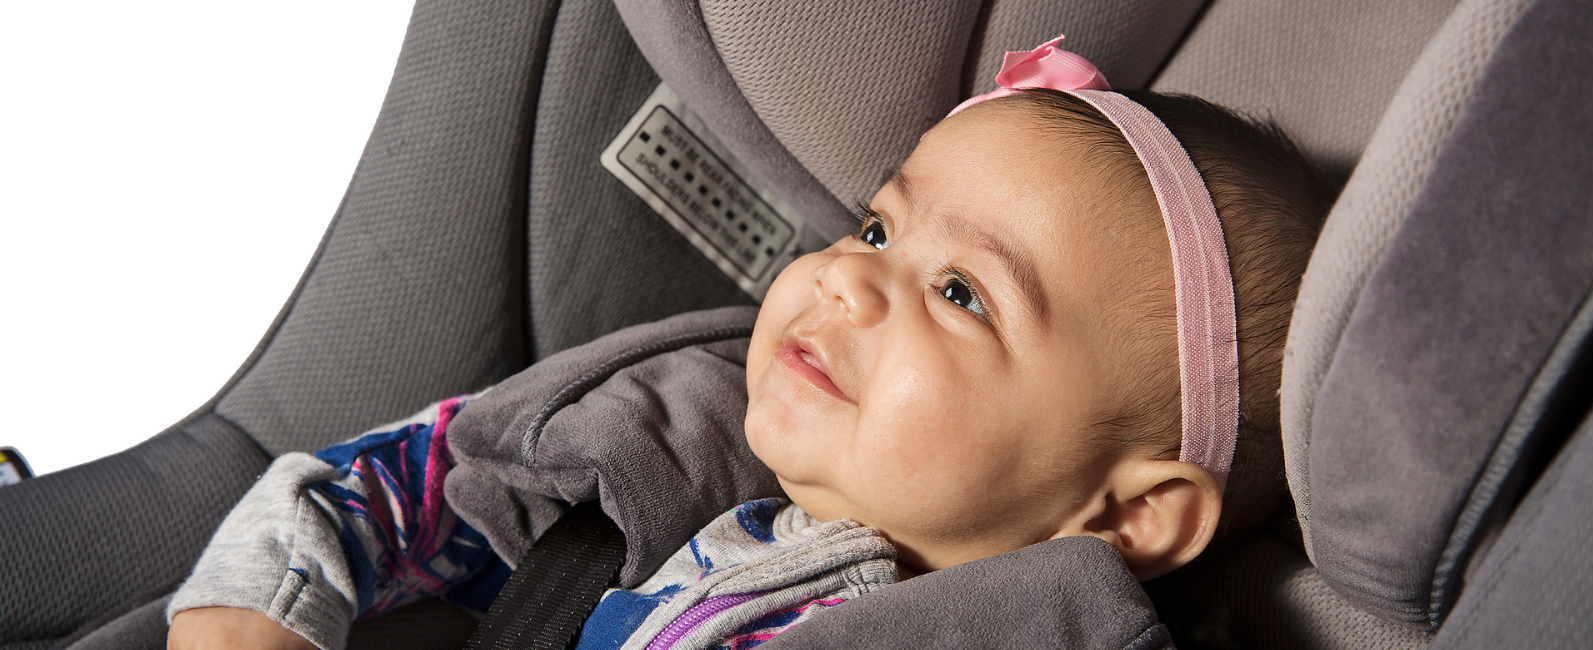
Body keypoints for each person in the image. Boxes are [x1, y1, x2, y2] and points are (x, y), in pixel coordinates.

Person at [167, 40, 1329, 650]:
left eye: (963, 293)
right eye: (878, 224)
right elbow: (420, 486)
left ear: (1127, 513)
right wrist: (261, 603)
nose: (846, 276)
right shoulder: (673, 448)